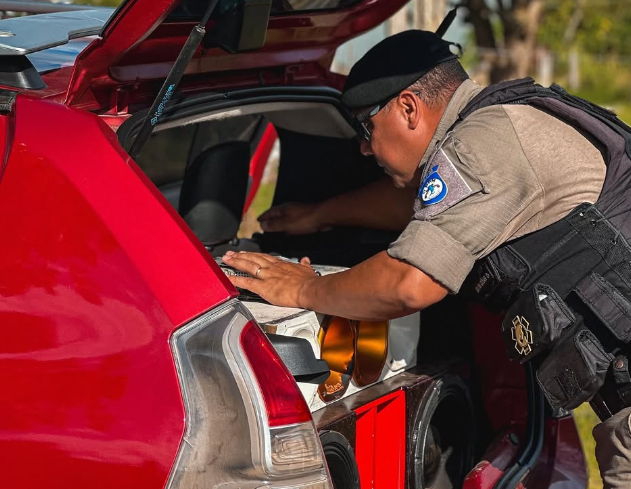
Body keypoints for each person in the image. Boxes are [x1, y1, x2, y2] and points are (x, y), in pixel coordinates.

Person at [221, 30, 631, 486]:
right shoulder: (508, 118)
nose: (362, 146)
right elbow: (430, 207)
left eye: (365, 127)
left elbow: (409, 282)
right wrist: (320, 214)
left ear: (409, 107)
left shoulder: (484, 145)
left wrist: (300, 287)